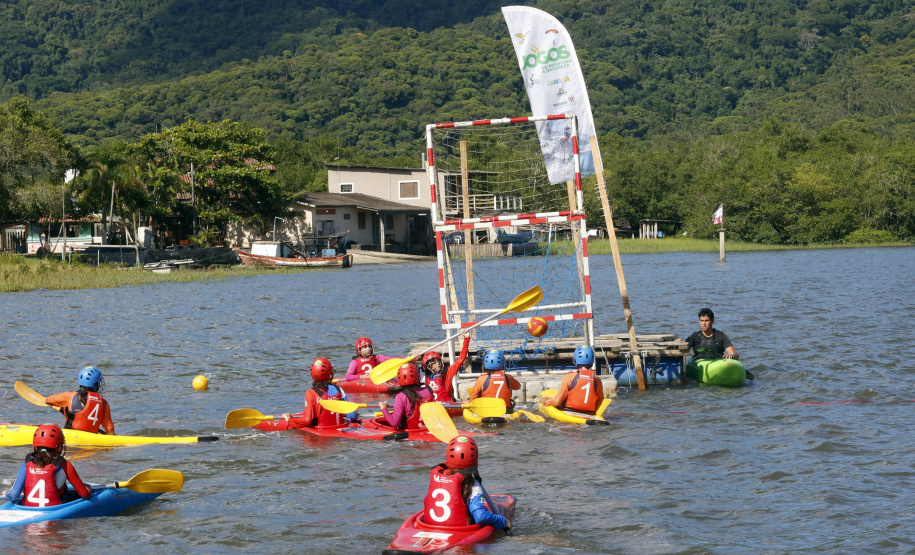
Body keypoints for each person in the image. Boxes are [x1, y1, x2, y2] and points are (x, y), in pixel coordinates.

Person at [422, 436, 510, 531]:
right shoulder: (473, 484)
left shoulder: (437, 476)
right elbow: (480, 516)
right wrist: (503, 521)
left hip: (430, 527)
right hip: (460, 531)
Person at [2, 424, 91, 507]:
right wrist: (88, 489)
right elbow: (85, 494)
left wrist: (7, 493)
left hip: (28, 510)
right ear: (58, 446)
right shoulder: (64, 464)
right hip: (54, 512)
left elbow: (13, 495)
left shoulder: (27, 463)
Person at [282, 358, 358, 427]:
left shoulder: (311, 393)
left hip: (321, 433)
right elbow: (352, 415)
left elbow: (307, 420)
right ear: (330, 373)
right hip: (338, 428)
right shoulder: (339, 390)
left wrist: (290, 419)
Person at [45, 366, 115, 434]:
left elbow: (47, 400)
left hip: (71, 435)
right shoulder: (103, 402)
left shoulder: (70, 396)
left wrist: (48, 401)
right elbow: (109, 429)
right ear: (95, 385)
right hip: (92, 439)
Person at [542, 345, 605, 415]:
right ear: (592, 362)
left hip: (568, 412)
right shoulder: (597, 381)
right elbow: (600, 402)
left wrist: (546, 401)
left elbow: (557, 402)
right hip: (589, 414)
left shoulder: (569, 377)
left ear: (574, 360)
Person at [378, 363, 432, 429]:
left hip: (410, 433)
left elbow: (394, 423)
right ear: (417, 376)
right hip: (426, 429)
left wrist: (384, 409)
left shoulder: (400, 396)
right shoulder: (428, 390)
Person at [422, 334, 471, 403]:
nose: (438, 363)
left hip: (448, 406)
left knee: (467, 402)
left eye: (438, 361)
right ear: (427, 366)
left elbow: (461, 358)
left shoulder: (448, 372)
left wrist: (466, 339)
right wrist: (413, 360)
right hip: (432, 407)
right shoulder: (423, 377)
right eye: (434, 362)